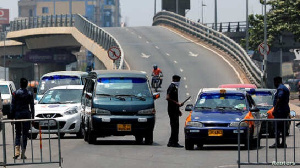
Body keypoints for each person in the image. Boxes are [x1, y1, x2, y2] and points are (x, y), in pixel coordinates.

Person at [10, 78, 35, 159]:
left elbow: (12, 106)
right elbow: (32, 106)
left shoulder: (15, 93)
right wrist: (33, 117)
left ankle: (17, 151)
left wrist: (12, 117)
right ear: (27, 84)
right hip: (26, 115)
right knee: (25, 134)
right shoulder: (30, 94)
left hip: (18, 115)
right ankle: (23, 153)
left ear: (20, 84)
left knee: (17, 133)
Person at [270, 77, 290, 148]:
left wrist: (275, 108)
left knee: (277, 127)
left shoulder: (280, 88)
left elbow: (280, 97)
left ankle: (278, 143)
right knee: (283, 128)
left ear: (277, 82)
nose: (274, 84)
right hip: (284, 110)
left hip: (280, 111)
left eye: (275, 82)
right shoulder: (284, 88)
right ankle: (283, 143)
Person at [166, 75, 184, 148]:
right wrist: (177, 103)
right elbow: (167, 98)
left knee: (175, 126)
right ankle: (174, 142)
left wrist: (178, 109)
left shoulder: (175, 87)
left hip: (175, 109)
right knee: (174, 126)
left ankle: (171, 141)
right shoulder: (172, 87)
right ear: (175, 80)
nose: (179, 82)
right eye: (178, 80)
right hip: (172, 110)